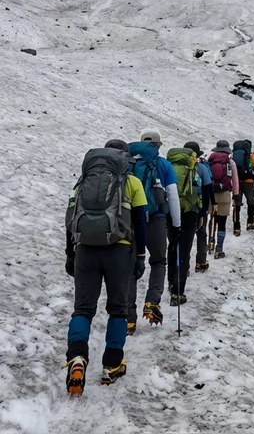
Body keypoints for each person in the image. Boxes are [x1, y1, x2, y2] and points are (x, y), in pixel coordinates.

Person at [64, 141, 148, 394]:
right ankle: (111, 365)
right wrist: (140, 255)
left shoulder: (82, 182)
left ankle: (77, 358)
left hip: (85, 250)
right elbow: (141, 223)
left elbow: (70, 220)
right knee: (117, 309)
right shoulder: (132, 182)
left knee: (83, 309)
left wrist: (71, 255)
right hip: (119, 251)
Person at [126, 130, 181, 331]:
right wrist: (176, 224)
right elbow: (173, 196)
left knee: (130, 267)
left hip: (130, 221)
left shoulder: (127, 162)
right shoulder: (163, 164)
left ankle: (128, 318)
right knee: (158, 260)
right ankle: (152, 302)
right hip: (155, 219)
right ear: (157, 144)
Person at [165, 145, 204, 306]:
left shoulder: (167, 167)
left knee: (172, 245)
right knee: (184, 248)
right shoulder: (195, 169)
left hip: (170, 211)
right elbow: (202, 190)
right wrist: (201, 214)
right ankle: (178, 292)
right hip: (190, 212)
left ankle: (170, 282)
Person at [185, 143, 213, 273]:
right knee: (201, 234)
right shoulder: (201, 167)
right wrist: (204, 210)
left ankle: (184, 265)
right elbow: (207, 188)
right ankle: (200, 262)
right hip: (198, 205)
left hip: (182, 207)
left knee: (185, 236)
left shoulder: (177, 167)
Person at [208, 141, 238, 259]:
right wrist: (236, 195)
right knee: (222, 221)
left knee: (213, 218)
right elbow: (234, 181)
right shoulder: (231, 163)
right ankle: (219, 249)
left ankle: (210, 243)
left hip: (212, 194)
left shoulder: (210, 161)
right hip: (225, 194)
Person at [232, 140, 254, 234]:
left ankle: (236, 228)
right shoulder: (252, 156)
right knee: (251, 202)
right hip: (249, 182)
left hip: (237, 182)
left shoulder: (233, 156)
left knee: (237, 204)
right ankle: (250, 222)